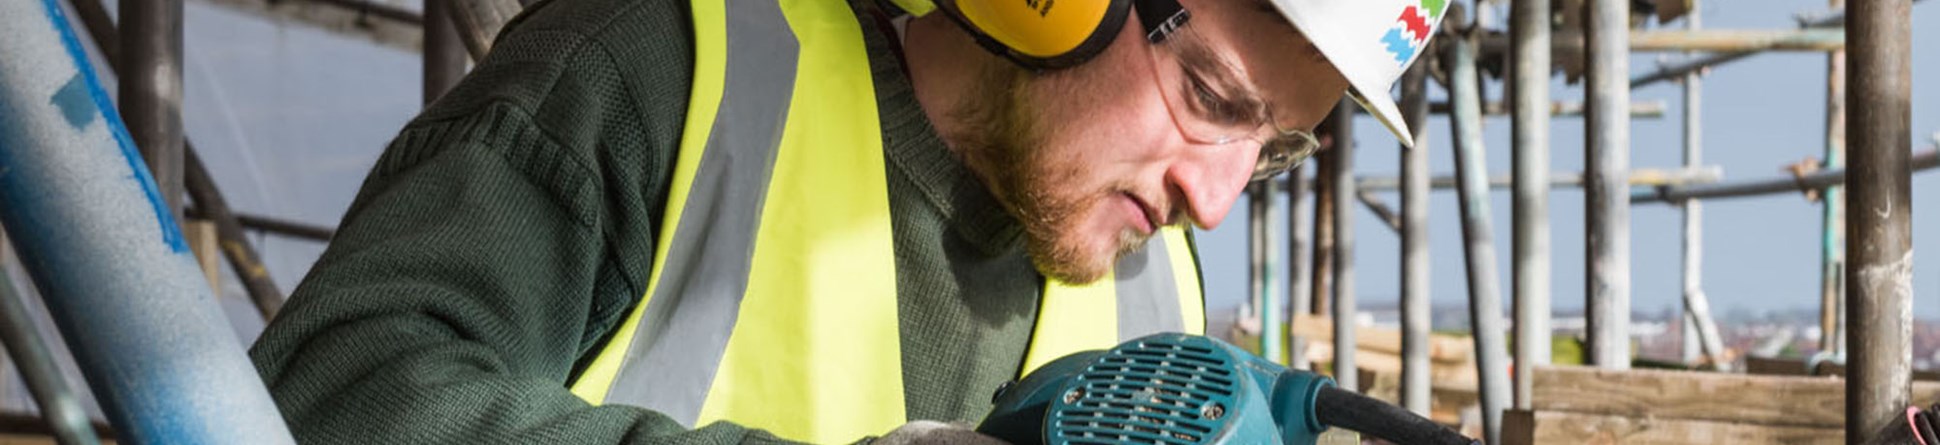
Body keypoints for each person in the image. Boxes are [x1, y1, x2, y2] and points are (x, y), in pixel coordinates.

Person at [247, 0, 1446, 443]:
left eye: (1274, 143)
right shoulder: (664, 71)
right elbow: (327, 390)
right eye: (1210, 101)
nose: (1215, 197)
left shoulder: (1159, 293)